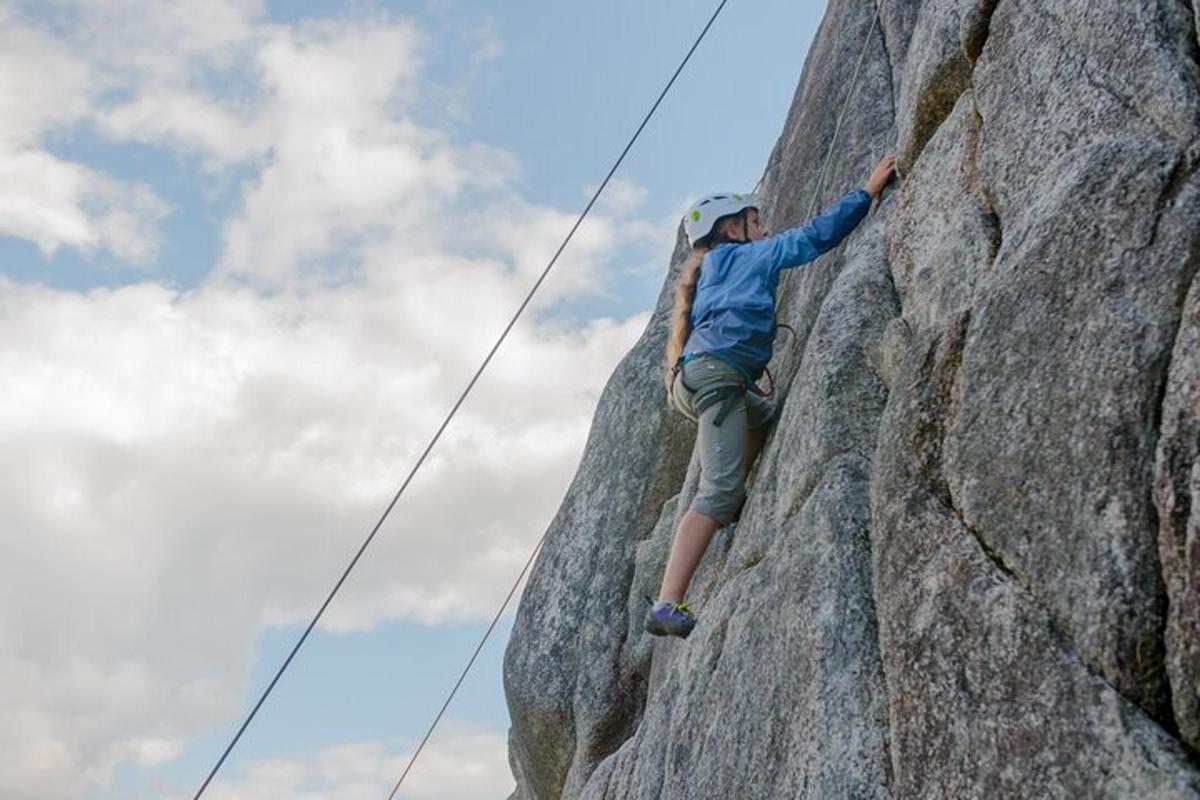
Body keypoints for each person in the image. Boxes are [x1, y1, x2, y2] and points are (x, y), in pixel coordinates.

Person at [644, 154, 898, 638]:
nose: (764, 227)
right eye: (755, 220)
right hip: (718, 379)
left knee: (765, 419)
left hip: (707, 378)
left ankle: (730, 494)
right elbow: (810, 240)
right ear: (731, 228)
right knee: (715, 491)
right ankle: (667, 602)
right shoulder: (744, 255)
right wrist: (865, 194)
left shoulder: (714, 266)